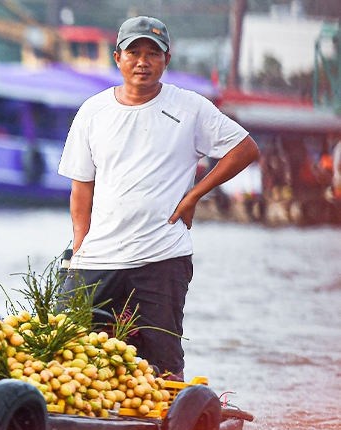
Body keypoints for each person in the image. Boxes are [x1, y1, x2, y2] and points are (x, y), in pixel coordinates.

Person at [58, 16, 260, 380]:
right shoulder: (93, 111)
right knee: (66, 349)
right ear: (117, 57)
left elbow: (244, 148)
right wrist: (79, 248)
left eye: (153, 53)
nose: (143, 61)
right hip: (98, 257)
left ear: (167, 60)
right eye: (134, 52)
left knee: (163, 363)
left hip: (161, 256)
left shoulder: (190, 108)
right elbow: (81, 188)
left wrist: (195, 194)